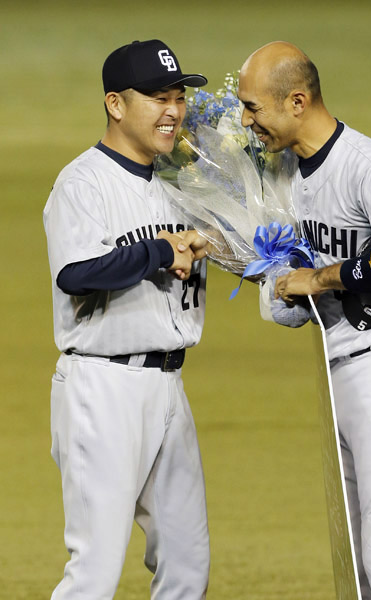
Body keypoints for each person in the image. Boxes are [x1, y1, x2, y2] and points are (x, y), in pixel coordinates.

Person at [238, 41, 371, 600]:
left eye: (253, 107)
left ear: (297, 101)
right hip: (343, 371)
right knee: (361, 566)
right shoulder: (287, 173)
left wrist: (320, 278)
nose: (246, 121)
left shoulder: (366, 165)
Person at [43, 39, 210, 600]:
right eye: (158, 97)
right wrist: (160, 251)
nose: (173, 110)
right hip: (103, 388)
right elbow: (76, 273)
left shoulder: (183, 183)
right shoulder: (83, 182)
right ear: (115, 104)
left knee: (187, 564)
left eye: (179, 97)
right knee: (95, 571)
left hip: (169, 387)